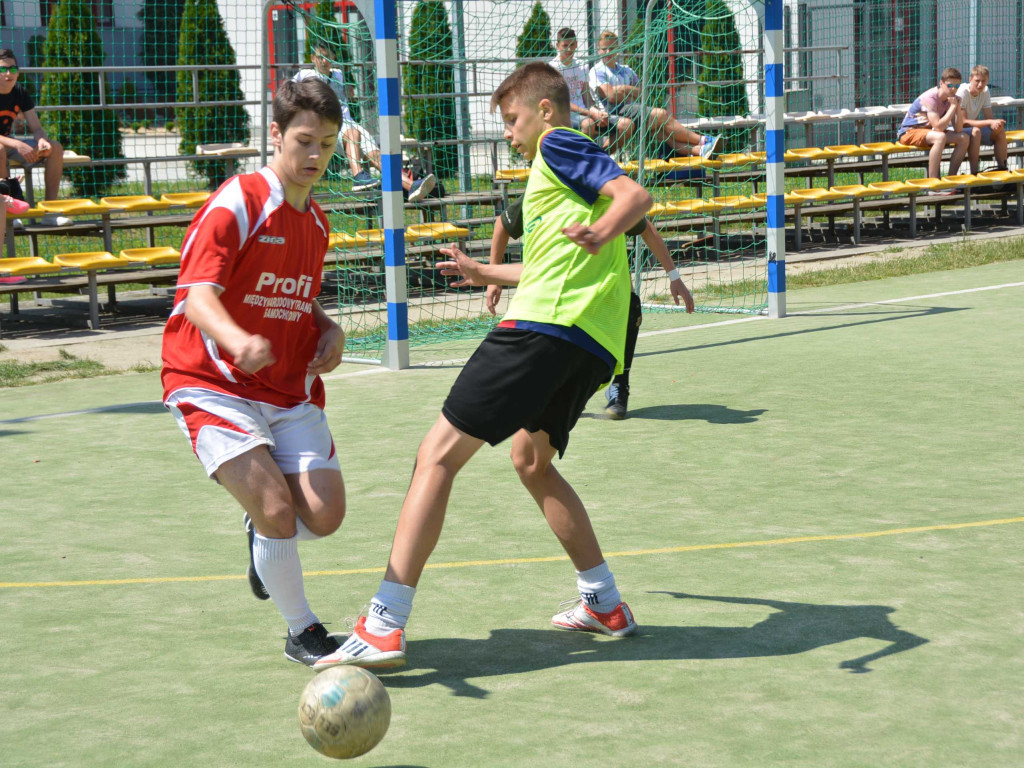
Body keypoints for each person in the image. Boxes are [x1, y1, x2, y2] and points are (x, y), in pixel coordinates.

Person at [314, 61, 653, 670]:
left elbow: (634, 196)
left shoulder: (558, 145)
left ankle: (384, 621)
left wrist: (604, 229)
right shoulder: (551, 179)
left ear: (545, 111)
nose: (510, 133)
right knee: (531, 462)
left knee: (435, 455)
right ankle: (604, 602)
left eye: (512, 119)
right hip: (590, 343)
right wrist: (484, 273)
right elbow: (545, 268)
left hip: (544, 330)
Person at [160, 78, 349, 667]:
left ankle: (258, 531)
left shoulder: (316, 224)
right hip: (209, 379)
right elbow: (197, 297)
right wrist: (237, 338)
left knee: (324, 516)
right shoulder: (239, 202)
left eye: (327, 143)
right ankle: (303, 632)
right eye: (303, 141)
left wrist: (329, 327)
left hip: (285, 388)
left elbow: (293, 295)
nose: (314, 156)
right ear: (274, 135)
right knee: (277, 511)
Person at [484, 194, 694, 419]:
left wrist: (674, 276)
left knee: (631, 307)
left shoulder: (606, 193)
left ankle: (620, 385)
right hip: (562, 290)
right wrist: (493, 277)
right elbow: (502, 224)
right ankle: (556, 390)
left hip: (606, 287)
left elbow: (646, 230)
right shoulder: (543, 190)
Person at [293, 43, 436, 202]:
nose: (324, 61)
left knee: (377, 155)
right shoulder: (305, 75)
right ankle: (358, 175)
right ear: (313, 59)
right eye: (320, 57)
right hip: (328, 129)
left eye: (327, 57)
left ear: (333, 57)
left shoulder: (338, 75)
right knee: (352, 133)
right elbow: (288, 91)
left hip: (348, 124)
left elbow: (347, 94)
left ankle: (411, 187)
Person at [588, 31, 720, 159]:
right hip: (612, 115)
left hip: (632, 110)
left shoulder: (626, 70)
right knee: (661, 114)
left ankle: (701, 150)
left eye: (611, 48)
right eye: (604, 49)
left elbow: (643, 92)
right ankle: (704, 140)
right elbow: (611, 97)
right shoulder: (597, 71)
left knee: (661, 131)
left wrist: (622, 89)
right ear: (598, 50)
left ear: (617, 48)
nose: (607, 52)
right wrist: (628, 91)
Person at [0, 49, 72, 227]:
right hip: (5, 146)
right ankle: (9, 211)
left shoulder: (20, 92)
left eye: (13, 69)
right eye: (3, 69)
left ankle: (50, 211)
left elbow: (37, 127)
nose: (9, 74)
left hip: (10, 143)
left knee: (55, 148)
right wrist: (18, 144)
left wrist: (42, 140)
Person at [548, 27, 625, 151]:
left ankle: (601, 159)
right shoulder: (553, 68)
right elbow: (562, 102)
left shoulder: (582, 65)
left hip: (586, 114)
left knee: (625, 125)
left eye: (572, 44)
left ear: (576, 44)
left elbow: (586, 96)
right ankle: (581, 162)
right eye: (565, 45)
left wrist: (597, 112)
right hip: (565, 115)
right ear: (557, 46)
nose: (569, 49)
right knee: (588, 124)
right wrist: (591, 114)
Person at [896, 67, 970, 188]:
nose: (953, 89)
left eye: (957, 87)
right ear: (941, 83)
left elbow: (958, 129)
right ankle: (934, 184)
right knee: (940, 137)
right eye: (950, 85)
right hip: (909, 132)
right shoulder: (931, 98)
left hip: (928, 132)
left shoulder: (951, 100)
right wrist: (952, 107)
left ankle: (950, 180)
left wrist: (957, 107)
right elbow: (938, 127)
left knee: (964, 138)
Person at [957, 65, 1008, 174]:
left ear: (987, 81)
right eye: (977, 81)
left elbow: (989, 118)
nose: (980, 84)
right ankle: (974, 173)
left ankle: (1002, 168)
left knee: (999, 130)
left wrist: (995, 124)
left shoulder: (985, 91)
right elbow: (964, 122)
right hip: (956, 129)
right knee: (976, 132)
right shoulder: (962, 92)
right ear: (970, 79)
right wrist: (990, 122)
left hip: (972, 129)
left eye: (983, 81)